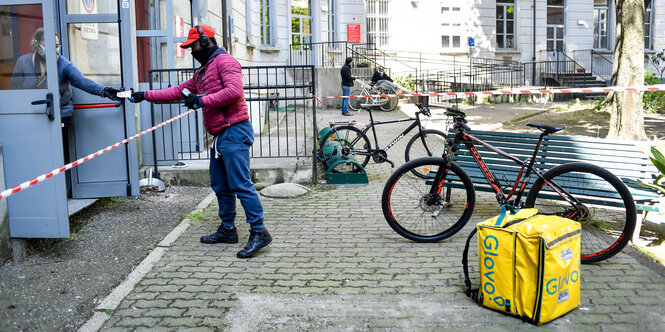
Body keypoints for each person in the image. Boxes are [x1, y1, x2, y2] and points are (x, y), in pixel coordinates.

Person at [129, 25, 271, 259]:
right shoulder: (203, 72)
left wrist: (201, 100)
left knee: (241, 185)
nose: (191, 52)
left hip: (234, 131)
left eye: (192, 46)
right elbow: (177, 91)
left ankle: (259, 231)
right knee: (221, 185)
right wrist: (144, 96)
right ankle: (228, 229)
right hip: (221, 135)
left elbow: (234, 92)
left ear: (206, 42)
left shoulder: (226, 62)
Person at [11, 28, 120, 196]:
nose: (54, 49)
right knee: (36, 155)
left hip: (60, 114)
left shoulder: (63, 64)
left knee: (57, 154)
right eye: (49, 45)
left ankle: (59, 193)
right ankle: (38, 191)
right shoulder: (23, 62)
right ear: (37, 44)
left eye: (57, 45)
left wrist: (104, 91)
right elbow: (15, 90)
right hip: (33, 117)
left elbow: (82, 81)